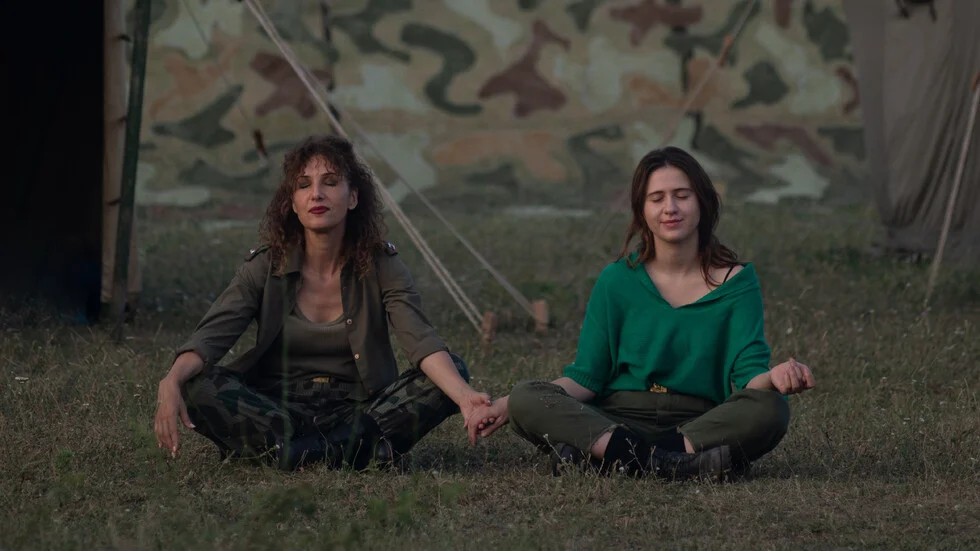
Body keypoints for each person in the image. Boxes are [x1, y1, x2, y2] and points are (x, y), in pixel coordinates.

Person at [469, 146, 816, 480]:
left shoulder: (737, 283)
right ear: (641, 210)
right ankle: (678, 464)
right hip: (616, 419)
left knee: (771, 407)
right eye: (657, 198)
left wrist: (775, 378)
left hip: (697, 423)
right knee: (527, 397)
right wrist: (509, 403)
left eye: (682, 195)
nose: (670, 208)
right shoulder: (617, 280)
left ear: (703, 202)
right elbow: (587, 378)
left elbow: (748, 377)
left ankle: (610, 459)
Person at [153, 135, 491, 471]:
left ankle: (293, 452)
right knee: (194, 383)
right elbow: (211, 336)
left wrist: (463, 395)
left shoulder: (381, 264)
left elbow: (420, 340)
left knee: (452, 371)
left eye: (330, 182)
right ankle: (352, 451)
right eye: (304, 185)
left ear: (353, 197)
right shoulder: (266, 265)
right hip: (277, 410)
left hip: (358, 411)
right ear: (293, 203)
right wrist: (171, 380)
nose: (316, 194)